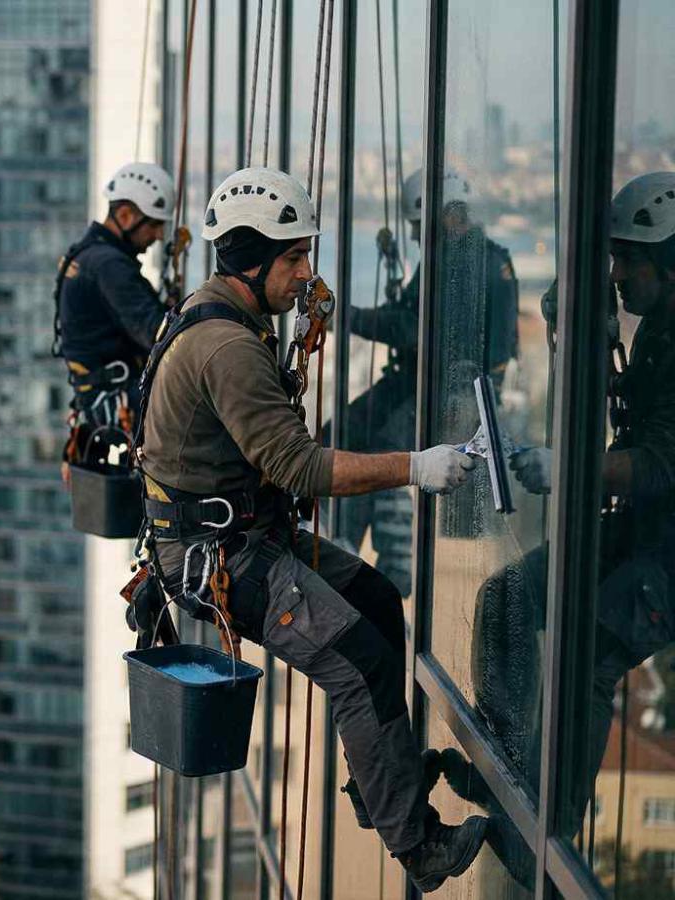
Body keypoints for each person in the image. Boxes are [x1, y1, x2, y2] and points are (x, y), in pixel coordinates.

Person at [129, 166, 487, 892]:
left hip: (243, 536)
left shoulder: (221, 313)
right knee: (360, 663)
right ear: (251, 258)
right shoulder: (228, 347)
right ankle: (418, 847)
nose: (305, 274)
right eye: (293, 258)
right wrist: (416, 467)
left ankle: (379, 783)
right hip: (222, 557)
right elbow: (299, 466)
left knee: (378, 603)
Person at [454, 172, 675, 874]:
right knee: (505, 598)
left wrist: (571, 468)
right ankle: (510, 773)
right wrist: (576, 327)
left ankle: (549, 833)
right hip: (643, 531)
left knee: (589, 662)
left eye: (628, 261)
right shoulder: (659, 330)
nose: (618, 274)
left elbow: (660, 464)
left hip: (667, 553)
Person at [332, 169, 520, 592]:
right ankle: (344, 542)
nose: (416, 237)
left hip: (451, 394)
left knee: (381, 451)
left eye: (419, 226)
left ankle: (393, 561)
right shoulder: (480, 256)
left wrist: (348, 317)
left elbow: (411, 328)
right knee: (343, 433)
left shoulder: (460, 262)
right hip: (445, 386)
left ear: (442, 217)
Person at [53, 162, 174, 434]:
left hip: (101, 399)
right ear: (125, 215)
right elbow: (157, 334)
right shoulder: (109, 266)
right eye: (154, 224)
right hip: (121, 399)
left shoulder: (87, 254)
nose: (158, 236)